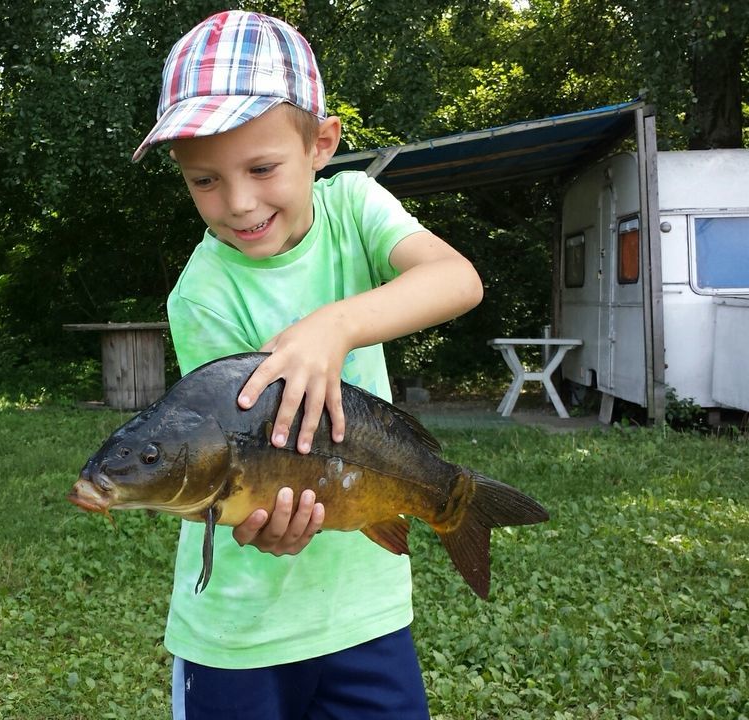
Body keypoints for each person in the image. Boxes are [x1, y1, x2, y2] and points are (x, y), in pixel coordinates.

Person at [132, 10, 484, 719]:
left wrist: (336, 326)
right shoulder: (202, 295)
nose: (238, 202)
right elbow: (223, 459)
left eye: (263, 168)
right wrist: (259, 521)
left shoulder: (354, 208)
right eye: (204, 181)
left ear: (321, 143)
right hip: (242, 630)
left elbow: (458, 279)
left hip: (368, 609)